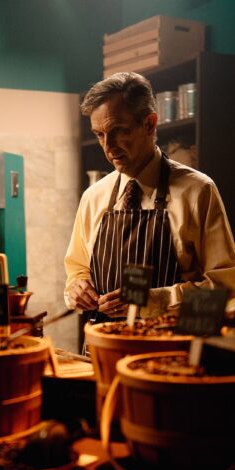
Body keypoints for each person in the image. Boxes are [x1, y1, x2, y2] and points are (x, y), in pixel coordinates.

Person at [64, 72, 235, 323]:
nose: (108, 147)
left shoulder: (198, 191)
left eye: (118, 130)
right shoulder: (93, 196)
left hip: (167, 351)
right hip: (100, 350)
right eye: (99, 134)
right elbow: (76, 269)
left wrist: (156, 301)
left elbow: (226, 287)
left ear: (150, 124)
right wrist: (77, 288)